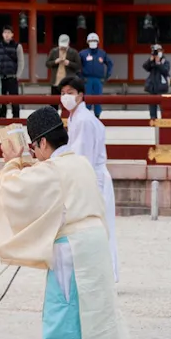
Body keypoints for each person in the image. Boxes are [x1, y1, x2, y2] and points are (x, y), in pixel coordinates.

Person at [0, 106, 132, 339]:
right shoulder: (79, 162)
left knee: (63, 310)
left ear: (42, 142)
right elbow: (44, 179)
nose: (33, 153)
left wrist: (11, 163)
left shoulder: (53, 169)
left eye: (34, 147)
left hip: (72, 248)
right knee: (93, 310)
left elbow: (14, 191)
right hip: (94, 242)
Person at [59, 76, 119, 282]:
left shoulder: (84, 120)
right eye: (63, 93)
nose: (66, 97)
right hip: (88, 174)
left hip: (94, 177)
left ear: (80, 95)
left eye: (70, 93)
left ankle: (105, 273)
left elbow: (82, 156)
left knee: (99, 227)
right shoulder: (75, 117)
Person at [80, 33, 113, 118]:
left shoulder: (102, 53)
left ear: (97, 42)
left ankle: (97, 116)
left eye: (94, 40)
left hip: (98, 79)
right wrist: (81, 77)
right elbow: (77, 65)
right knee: (87, 98)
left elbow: (110, 64)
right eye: (91, 40)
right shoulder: (83, 53)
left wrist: (107, 76)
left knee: (98, 98)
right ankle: (86, 116)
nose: (93, 42)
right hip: (87, 80)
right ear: (88, 42)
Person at [46, 35, 82, 108]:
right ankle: (53, 118)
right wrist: (55, 62)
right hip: (56, 82)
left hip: (68, 82)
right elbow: (47, 64)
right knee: (54, 103)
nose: (62, 47)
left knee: (68, 104)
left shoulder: (74, 52)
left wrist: (69, 63)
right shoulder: (54, 51)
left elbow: (79, 66)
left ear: (68, 43)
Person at [0, 26, 24, 119]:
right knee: (1, 100)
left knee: (14, 99)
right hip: (0, 77)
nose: (7, 34)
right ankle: (2, 118)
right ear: (2, 34)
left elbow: (21, 61)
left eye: (9, 32)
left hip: (12, 76)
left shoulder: (17, 46)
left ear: (12, 34)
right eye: (5, 33)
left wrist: (18, 75)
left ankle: (16, 118)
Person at [143, 44, 171, 119]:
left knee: (163, 105)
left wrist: (158, 63)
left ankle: (164, 119)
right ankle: (153, 119)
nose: (157, 52)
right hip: (152, 86)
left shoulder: (165, 61)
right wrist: (150, 60)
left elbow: (165, 71)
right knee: (152, 105)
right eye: (156, 51)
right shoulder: (152, 60)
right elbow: (145, 67)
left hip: (161, 86)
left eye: (159, 50)